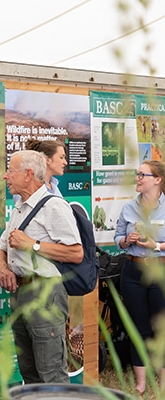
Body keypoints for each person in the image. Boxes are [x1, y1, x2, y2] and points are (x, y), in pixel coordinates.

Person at [0, 150, 83, 384]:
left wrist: (32, 245)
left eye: (10, 171)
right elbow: (1, 246)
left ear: (28, 174)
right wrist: (2, 267)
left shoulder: (55, 207)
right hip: (21, 293)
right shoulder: (20, 207)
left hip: (46, 294)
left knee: (51, 372)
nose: (6, 176)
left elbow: (76, 253)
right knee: (29, 371)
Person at [114, 160, 165, 395]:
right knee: (138, 326)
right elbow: (118, 239)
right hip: (133, 271)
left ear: (157, 179)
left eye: (142, 174)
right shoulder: (128, 208)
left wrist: (156, 245)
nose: (137, 178)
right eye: (137, 174)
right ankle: (141, 382)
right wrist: (127, 240)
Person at [13, 138, 67, 203]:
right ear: (47, 160)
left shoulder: (53, 185)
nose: (65, 162)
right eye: (61, 157)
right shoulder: (27, 187)